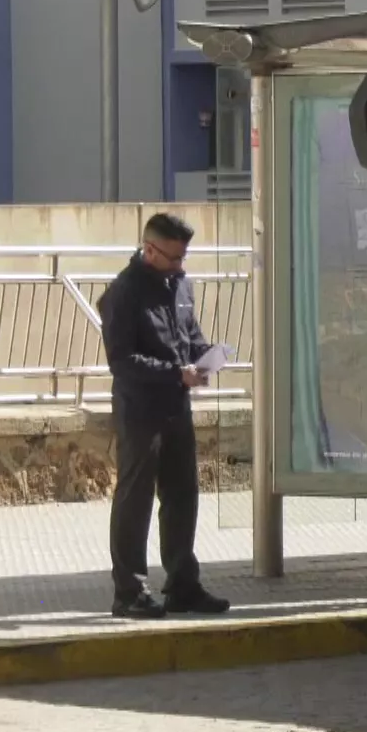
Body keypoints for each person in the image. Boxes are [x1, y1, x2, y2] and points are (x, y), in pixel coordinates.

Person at [101, 213, 230, 619]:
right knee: (135, 497)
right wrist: (176, 374)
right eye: (173, 258)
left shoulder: (180, 286)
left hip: (176, 405)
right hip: (140, 409)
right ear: (150, 250)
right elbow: (122, 361)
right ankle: (129, 591)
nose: (180, 265)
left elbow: (188, 337)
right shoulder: (123, 293)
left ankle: (182, 584)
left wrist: (205, 358)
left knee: (182, 494)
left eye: (183, 257)